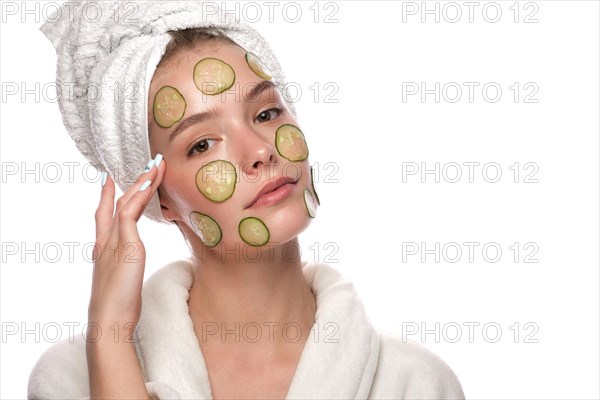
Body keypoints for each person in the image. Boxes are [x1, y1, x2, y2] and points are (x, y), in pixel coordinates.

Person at [29, 2, 464, 399]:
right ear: (154, 197)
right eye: (202, 144)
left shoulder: (418, 383)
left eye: (266, 113)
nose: (260, 151)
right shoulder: (71, 380)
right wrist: (108, 335)